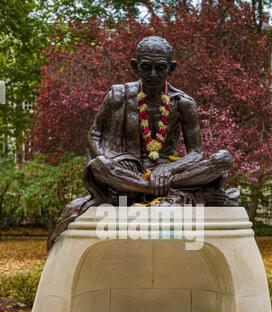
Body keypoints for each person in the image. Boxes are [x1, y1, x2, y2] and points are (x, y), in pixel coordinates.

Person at [48, 36, 239, 250]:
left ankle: (144, 190)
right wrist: (107, 160)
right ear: (135, 66)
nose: (153, 75)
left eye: (160, 68)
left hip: (169, 173)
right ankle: (154, 190)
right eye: (146, 67)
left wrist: (169, 168)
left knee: (223, 159)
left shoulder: (183, 103)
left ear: (171, 68)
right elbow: (95, 134)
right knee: (99, 165)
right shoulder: (118, 95)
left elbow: (196, 152)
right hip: (127, 169)